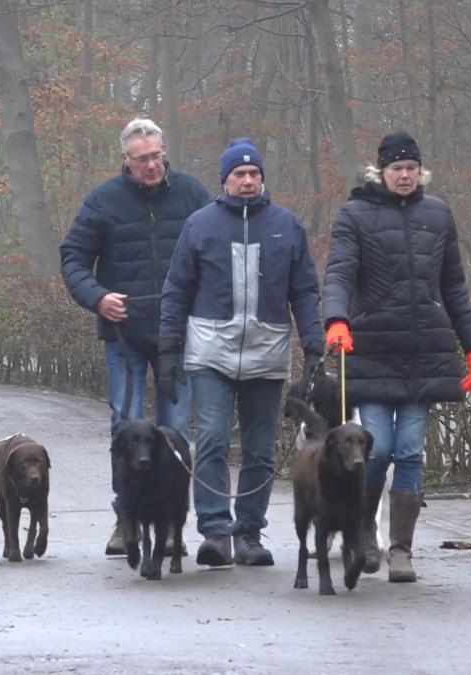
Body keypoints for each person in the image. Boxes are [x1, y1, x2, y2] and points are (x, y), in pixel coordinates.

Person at [322, 131, 471, 583]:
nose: (405, 175)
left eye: (411, 168)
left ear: (420, 171)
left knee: (411, 451)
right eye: (397, 168)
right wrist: (336, 318)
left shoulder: (437, 215)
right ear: (382, 172)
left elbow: (454, 287)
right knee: (374, 451)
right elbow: (339, 271)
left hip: (423, 352)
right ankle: (363, 536)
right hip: (373, 351)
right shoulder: (355, 215)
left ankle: (401, 550)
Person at [159, 138, 323, 567]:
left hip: (266, 356)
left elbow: (304, 290)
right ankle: (216, 531)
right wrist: (167, 348)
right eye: (239, 175)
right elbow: (177, 289)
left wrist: (314, 341)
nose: (248, 181)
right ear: (225, 181)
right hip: (210, 352)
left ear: (262, 178)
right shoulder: (200, 224)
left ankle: (250, 532)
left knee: (261, 448)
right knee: (212, 439)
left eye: (254, 174)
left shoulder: (287, 225)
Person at [60, 117, 210, 556]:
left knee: (175, 431)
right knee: (125, 429)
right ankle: (126, 518)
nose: (151, 165)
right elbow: (73, 258)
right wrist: (97, 297)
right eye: (142, 159)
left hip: (177, 333)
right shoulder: (102, 201)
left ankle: (169, 525)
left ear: (165, 151)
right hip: (123, 333)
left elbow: (214, 251)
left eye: (156, 156)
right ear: (125, 160)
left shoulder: (193, 194)